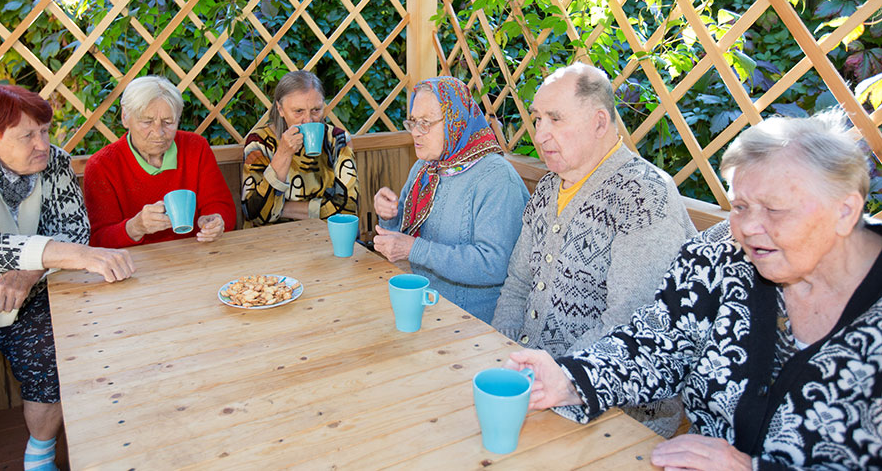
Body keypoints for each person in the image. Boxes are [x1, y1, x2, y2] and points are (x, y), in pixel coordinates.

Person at [504, 111, 882, 469]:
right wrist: (570, 380)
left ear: (846, 210)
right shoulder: (718, 257)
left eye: (775, 209)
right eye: (740, 206)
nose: (748, 227)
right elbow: (657, 344)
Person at [491, 63, 695, 437]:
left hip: (618, 418)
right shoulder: (549, 189)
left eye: (555, 119)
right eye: (537, 120)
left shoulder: (644, 195)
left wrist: (557, 377)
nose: (539, 135)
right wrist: (505, 349)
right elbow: (518, 283)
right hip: (538, 389)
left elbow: (631, 323)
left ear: (600, 123)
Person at [0, 84, 135, 470]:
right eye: (27, 135)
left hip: (33, 294)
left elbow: (73, 229)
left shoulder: (57, 164)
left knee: (55, 362)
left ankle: (40, 456)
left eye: (45, 130)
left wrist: (27, 274)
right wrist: (74, 256)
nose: (42, 144)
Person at [372, 76, 529, 323]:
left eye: (426, 123)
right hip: (425, 305)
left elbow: (494, 265)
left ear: (457, 121)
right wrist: (388, 214)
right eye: (413, 122)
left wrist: (414, 249)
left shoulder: (497, 179)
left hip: (472, 323)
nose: (415, 132)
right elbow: (400, 236)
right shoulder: (426, 169)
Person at [83, 76, 236, 247]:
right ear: (125, 117)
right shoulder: (102, 165)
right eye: (147, 122)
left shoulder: (196, 147)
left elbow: (222, 207)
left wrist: (215, 222)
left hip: (197, 256)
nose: (158, 132)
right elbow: (98, 239)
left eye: (168, 122)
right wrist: (134, 227)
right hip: (134, 266)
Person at [241, 70, 358, 226]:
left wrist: (278, 209)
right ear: (280, 109)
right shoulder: (260, 142)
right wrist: (283, 154)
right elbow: (253, 213)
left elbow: (348, 209)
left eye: (316, 110)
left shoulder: (337, 139)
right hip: (271, 242)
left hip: (324, 238)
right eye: (298, 111)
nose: (308, 120)